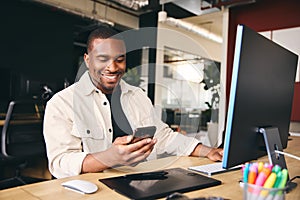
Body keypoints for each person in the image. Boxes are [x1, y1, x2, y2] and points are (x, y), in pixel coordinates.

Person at [43, 26, 223, 179]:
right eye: (102, 59)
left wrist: (207, 151)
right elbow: (59, 163)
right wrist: (109, 157)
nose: (112, 68)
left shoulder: (137, 96)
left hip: (140, 184)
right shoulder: (61, 104)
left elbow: (163, 136)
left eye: (119, 60)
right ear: (87, 60)